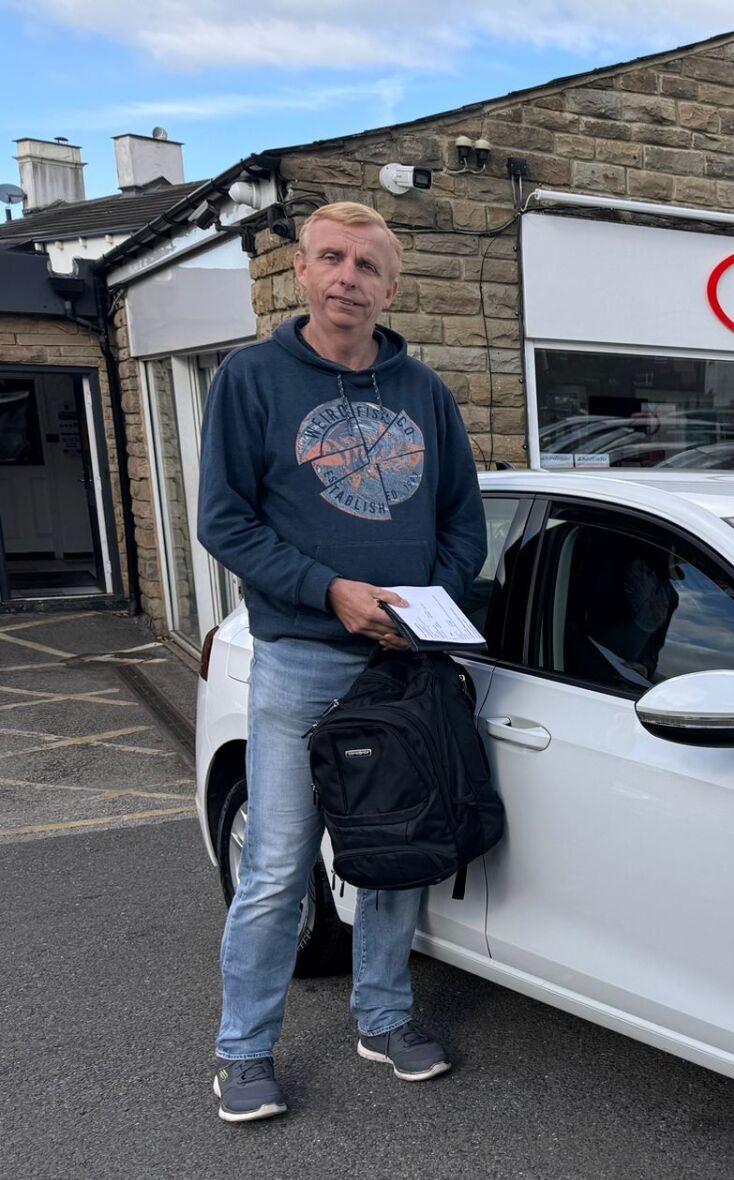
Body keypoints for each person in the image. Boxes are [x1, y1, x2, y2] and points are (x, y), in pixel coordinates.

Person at [197, 200, 486, 1123]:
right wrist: (333, 592)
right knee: (281, 865)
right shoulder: (251, 379)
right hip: (303, 663)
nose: (346, 278)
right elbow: (225, 521)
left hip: (402, 664)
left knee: (394, 854)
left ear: (390, 287)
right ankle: (242, 1052)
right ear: (301, 274)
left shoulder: (425, 393)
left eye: (366, 266)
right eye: (330, 258)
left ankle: (384, 1017)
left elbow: (462, 522)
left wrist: (424, 610)